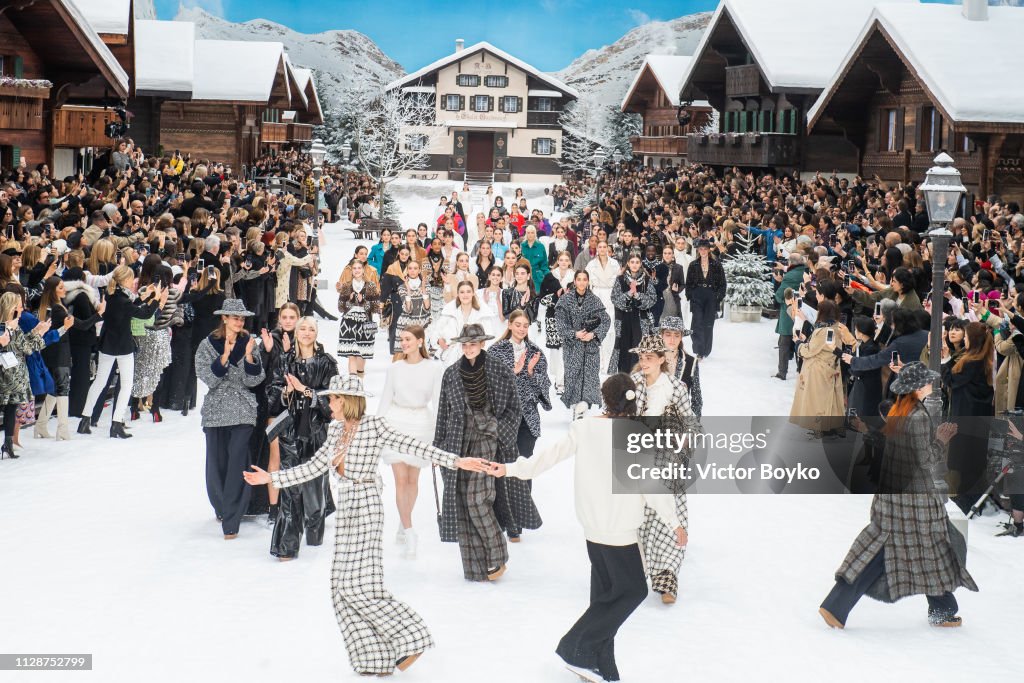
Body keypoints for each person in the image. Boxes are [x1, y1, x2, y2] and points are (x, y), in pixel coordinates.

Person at [243, 375, 489, 676]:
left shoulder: (375, 426)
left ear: (347, 401)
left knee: (358, 587)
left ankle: (410, 636)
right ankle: (376, 657)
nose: (328, 403)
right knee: (339, 588)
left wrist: (457, 461)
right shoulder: (335, 431)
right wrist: (272, 478)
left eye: (333, 399)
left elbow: (417, 447)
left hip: (368, 504)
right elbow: (313, 467)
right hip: (347, 506)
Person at [487, 374, 686, 683]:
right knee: (633, 591)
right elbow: (652, 487)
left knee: (605, 599)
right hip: (619, 531)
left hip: (592, 528)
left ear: (605, 399)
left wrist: (512, 468)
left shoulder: (584, 427)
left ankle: (601, 669)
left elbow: (546, 459)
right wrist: (675, 523)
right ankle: (574, 648)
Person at [819, 362, 978, 629]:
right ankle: (836, 606)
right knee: (931, 547)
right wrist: (941, 440)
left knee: (925, 548)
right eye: (927, 382)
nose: (931, 385)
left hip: (896, 496)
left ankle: (942, 609)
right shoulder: (916, 416)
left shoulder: (900, 411)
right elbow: (924, 460)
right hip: (913, 501)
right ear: (917, 388)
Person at [434, 323, 525, 581]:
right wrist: (439, 449)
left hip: (488, 441)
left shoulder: (498, 369)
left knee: (478, 499)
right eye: (465, 344)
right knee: (463, 501)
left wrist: (496, 430)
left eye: (473, 343)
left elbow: (513, 409)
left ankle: (497, 554)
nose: (469, 348)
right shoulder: (451, 373)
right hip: (458, 442)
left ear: (482, 344)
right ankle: (476, 567)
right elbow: (444, 412)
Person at [629, 334, 699, 605]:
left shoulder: (676, 388)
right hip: (637, 458)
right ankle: (637, 572)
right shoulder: (631, 384)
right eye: (641, 357)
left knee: (670, 515)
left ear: (661, 360)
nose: (644, 362)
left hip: (669, 460)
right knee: (641, 519)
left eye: (649, 358)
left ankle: (667, 577)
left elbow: (690, 422)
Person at [266, 316, 338, 560]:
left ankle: (315, 530)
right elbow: (272, 395)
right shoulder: (285, 360)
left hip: (317, 432)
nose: (307, 333)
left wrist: (305, 391)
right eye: (302, 328)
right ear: (296, 332)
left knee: (315, 489)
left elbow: (333, 404)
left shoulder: (327, 363)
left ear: (317, 333)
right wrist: (285, 392)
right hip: (290, 432)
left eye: (311, 329)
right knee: (290, 488)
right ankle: (286, 546)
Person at [194, 299, 265, 539]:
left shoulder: (249, 343)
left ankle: (232, 518)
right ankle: (222, 507)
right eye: (235, 317)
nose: (239, 321)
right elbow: (208, 379)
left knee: (237, 461)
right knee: (217, 463)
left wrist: (249, 359)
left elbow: (254, 381)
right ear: (224, 318)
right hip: (215, 411)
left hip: (243, 409)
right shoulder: (207, 345)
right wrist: (223, 357)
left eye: (242, 318)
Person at [78, 265, 166, 438]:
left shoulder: (111, 295)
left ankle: (85, 419)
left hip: (107, 345)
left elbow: (131, 307)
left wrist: (145, 296)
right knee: (126, 385)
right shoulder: (123, 300)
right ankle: (117, 423)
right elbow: (144, 314)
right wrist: (157, 299)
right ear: (125, 280)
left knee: (99, 382)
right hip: (123, 346)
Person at [378, 326, 443, 560]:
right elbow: (385, 398)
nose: (403, 343)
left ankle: (404, 520)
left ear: (420, 341)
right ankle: (409, 529)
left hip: (421, 424)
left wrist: (439, 437)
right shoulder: (394, 368)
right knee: (400, 480)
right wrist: (377, 428)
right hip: (396, 421)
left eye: (407, 339)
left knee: (413, 480)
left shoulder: (434, 369)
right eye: (401, 339)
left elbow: (437, 402)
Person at [489, 310, 550, 542]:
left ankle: (518, 522)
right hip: (503, 418)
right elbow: (490, 384)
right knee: (502, 467)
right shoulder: (495, 350)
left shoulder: (536, 352)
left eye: (525, 325)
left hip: (527, 420)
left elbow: (544, 388)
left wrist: (532, 373)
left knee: (523, 467)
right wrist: (513, 372)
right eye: (518, 324)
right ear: (510, 325)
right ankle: (500, 519)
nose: (522, 329)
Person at [940, 321, 995, 513]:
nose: (963, 337)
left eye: (965, 335)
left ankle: (967, 501)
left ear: (972, 339)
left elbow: (952, 381)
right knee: (971, 461)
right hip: (974, 418)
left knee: (965, 462)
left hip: (967, 420)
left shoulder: (973, 362)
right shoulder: (981, 359)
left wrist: (946, 360)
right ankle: (969, 499)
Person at [790, 301, 855, 437]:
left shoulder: (822, 330)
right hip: (833, 367)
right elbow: (822, 346)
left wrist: (798, 343)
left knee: (817, 401)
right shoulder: (838, 327)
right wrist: (806, 340)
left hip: (819, 370)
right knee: (832, 400)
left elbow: (810, 350)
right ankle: (834, 427)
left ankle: (819, 428)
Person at [557, 270, 611, 421]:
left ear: (588, 281)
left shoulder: (594, 300)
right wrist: (574, 334)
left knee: (589, 378)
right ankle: (576, 408)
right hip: (572, 347)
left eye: (584, 279)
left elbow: (605, 320)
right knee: (573, 376)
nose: (581, 282)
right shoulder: (565, 300)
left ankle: (583, 408)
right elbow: (560, 324)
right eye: (578, 279)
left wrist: (593, 335)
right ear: (574, 281)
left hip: (590, 348)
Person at [0, 292, 48, 458]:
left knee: (11, 410)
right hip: (9, 376)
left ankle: (8, 444)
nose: (21, 309)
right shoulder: (8, 326)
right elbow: (26, 348)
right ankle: (8, 444)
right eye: (19, 306)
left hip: (13, 374)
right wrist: (38, 333)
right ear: (12, 308)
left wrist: (36, 332)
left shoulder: (13, 326)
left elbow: (24, 345)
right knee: (10, 409)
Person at [609, 254, 656, 374]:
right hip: (624, 318)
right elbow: (614, 299)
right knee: (624, 347)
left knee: (639, 346)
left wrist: (638, 295)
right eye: (632, 262)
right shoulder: (620, 279)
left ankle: (638, 374)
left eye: (637, 262)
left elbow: (653, 299)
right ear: (628, 264)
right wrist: (629, 293)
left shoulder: (646, 280)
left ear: (640, 264)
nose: (634, 264)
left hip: (640, 319)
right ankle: (624, 376)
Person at [431, 281, 497, 366]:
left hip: (475, 358)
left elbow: (488, 339)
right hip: (451, 359)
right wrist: (439, 341)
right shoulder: (449, 312)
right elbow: (436, 333)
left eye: (468, 291)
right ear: (458, 294)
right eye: (462, 292)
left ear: (473, 293)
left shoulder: (482, 314)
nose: (465, 295)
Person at [336, 260, 380, 380]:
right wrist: (350, 302)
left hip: (366, 323)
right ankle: (353, 382)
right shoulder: (346, 286)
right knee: (351, 354)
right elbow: (340, 308)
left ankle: (360, 378)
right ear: (351, 270)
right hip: (348, 323)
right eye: (354, 268)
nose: (357, 270)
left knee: (362, 354)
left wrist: (363, 302)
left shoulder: (371, 286)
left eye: (359, 268)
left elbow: (376, 307)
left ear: (363, 270)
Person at [539, 251, 575, 394]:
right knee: (555, 351)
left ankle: (562, 382)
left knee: (566, 350)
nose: (564, 262)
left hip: (570, 318)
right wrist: (556, 296)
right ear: (557, 261)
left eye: (567, 260)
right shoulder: (549, 277)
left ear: (570, 262)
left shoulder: (575, 276)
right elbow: (542, 299)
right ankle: (558, 377)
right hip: (552, 317)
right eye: (561, 259)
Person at [684, 239, 726, 359]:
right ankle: (698, 350)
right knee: (697, 323)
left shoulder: (716, 264)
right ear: (698, 250)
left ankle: (706, 350)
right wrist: (690, 295)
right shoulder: (693, 264)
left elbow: (722, 283)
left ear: (708, 250)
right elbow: (689, 282)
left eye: (705, 249)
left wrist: (718, 296)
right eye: (700, 249)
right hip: (697, 295)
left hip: (711, 296)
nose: (703, 251)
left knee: (708, 323)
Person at [586, 241, 620, 373]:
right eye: (599, 247)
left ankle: (610, 365)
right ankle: (598, 364)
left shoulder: (615, 263)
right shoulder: (591, 264)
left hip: (611, 296)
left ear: (608, 249)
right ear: (596, 248)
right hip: (597, 295)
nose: (602, 249)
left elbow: (618, 282)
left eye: (604, 247)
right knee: (597, 330)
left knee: (611, 331)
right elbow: (587, 283)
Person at [659, 316, 703, 418]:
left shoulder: (690, 362)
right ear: (661, 335)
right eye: (668, 334)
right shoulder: (652, 359)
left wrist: (694, 424)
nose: (672, 339)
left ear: (681, 337)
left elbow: (697, 398)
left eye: (677, 335)